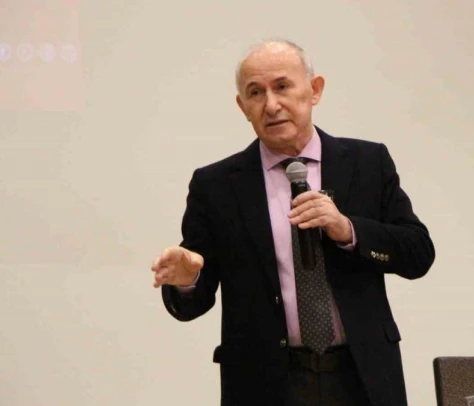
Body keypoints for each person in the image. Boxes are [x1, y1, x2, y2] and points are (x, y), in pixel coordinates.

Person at [150, 39, 435, 406]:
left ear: (314, 90)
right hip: (265, 384)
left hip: (361, 376)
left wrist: (348, 230)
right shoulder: (216, 185)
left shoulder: (367, 162)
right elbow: (194, 301)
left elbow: (418, 253)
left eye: (282, 86)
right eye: (256, 93)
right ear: (242, 107)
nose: (271, 105)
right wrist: (188, 280)